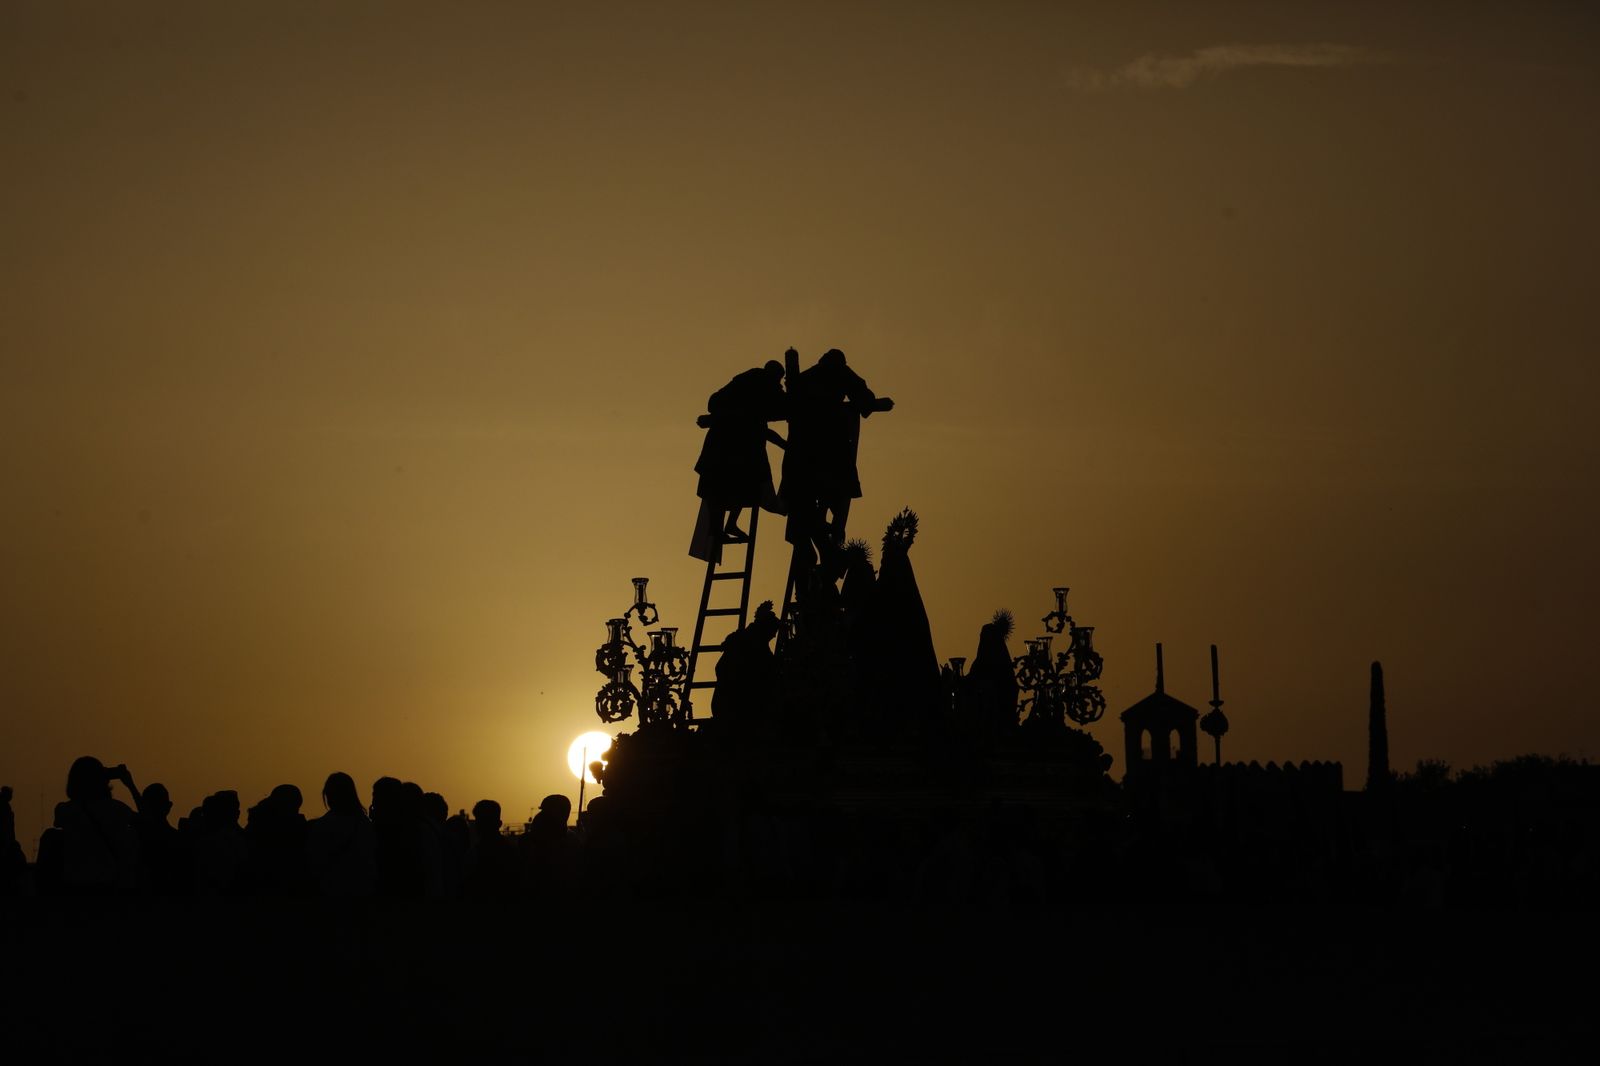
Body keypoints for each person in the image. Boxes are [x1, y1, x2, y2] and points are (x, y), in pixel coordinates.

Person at [779, 348, 893, 576]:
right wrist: (869, 403)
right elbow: (862, 396)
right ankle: (825, 548)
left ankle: (817, 548)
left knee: (802, 506)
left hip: (802, 453)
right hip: (827, 452)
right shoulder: (839, 373)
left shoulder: (809, 376)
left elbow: (791, 394)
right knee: (819, 503)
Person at [689, 358, 788, 563]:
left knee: (732, 489)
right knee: (734, 488)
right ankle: (720, 530)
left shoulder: (746, 388)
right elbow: (765, 424)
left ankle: (723, 528)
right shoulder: (758, 391)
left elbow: (761, 426)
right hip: (729, 453)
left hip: (727, 452)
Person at [51, 756, 143, 894]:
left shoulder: (65, 811)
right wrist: (130, 784)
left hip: (75, 887)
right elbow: (146, 822)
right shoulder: (117, 810)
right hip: (109, 886)